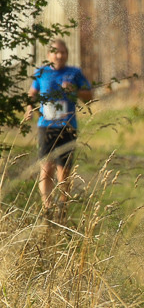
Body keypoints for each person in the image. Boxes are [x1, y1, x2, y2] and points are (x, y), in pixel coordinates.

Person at [23, 38, 93, 211]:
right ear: (49, 55)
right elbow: (32, 93)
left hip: (67, 127)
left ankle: (62, 208)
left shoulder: (75, 73)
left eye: (63, 52)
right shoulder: (41, 72)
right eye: (56, 52)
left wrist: (74, 91)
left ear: (67, 54)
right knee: (46, 168)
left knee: (64, 172)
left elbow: (89, 96)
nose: (59, 56)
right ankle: (47, 207)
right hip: (46, 126)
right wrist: (29, 108)